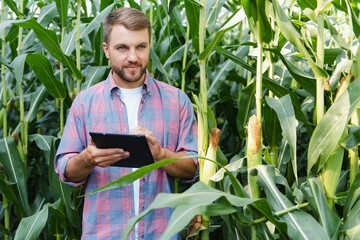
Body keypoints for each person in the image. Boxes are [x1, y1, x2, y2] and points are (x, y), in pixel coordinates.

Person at [54, 7, 198, 240]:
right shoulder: (85, 103)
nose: (133, 57)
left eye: (141, 46)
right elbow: (65, 170)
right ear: (107, 50)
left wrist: (160, 154)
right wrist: (88, 158)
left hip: (161, 234)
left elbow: (193, 167)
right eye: (122, 47)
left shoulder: (177, 101)